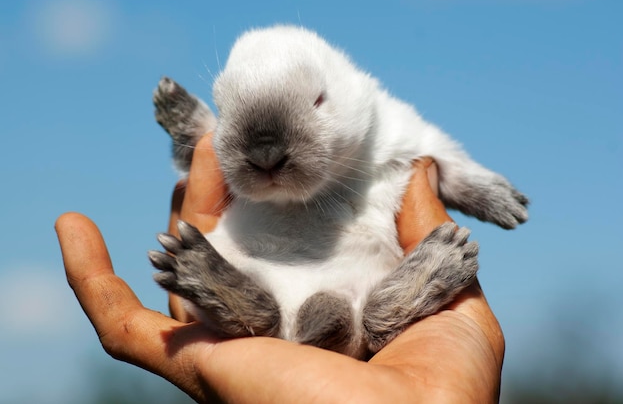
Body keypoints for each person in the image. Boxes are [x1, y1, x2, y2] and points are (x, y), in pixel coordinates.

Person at [55, 134, 504, 403]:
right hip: (337, 317)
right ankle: (250, 308)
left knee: (364, 318)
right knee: (371, 317)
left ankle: (249, 312)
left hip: (337, 321)